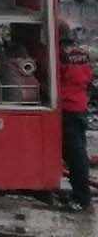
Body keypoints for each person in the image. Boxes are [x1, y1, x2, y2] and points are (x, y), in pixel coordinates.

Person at [61, 28, 93, 212]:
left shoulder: (63, 56)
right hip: (80, 107)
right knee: (78, 155)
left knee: (75, 156)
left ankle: (82, 199)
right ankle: (80, 195)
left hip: (68, 108)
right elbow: (87, 77)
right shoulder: (82, 54)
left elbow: (59, 78)